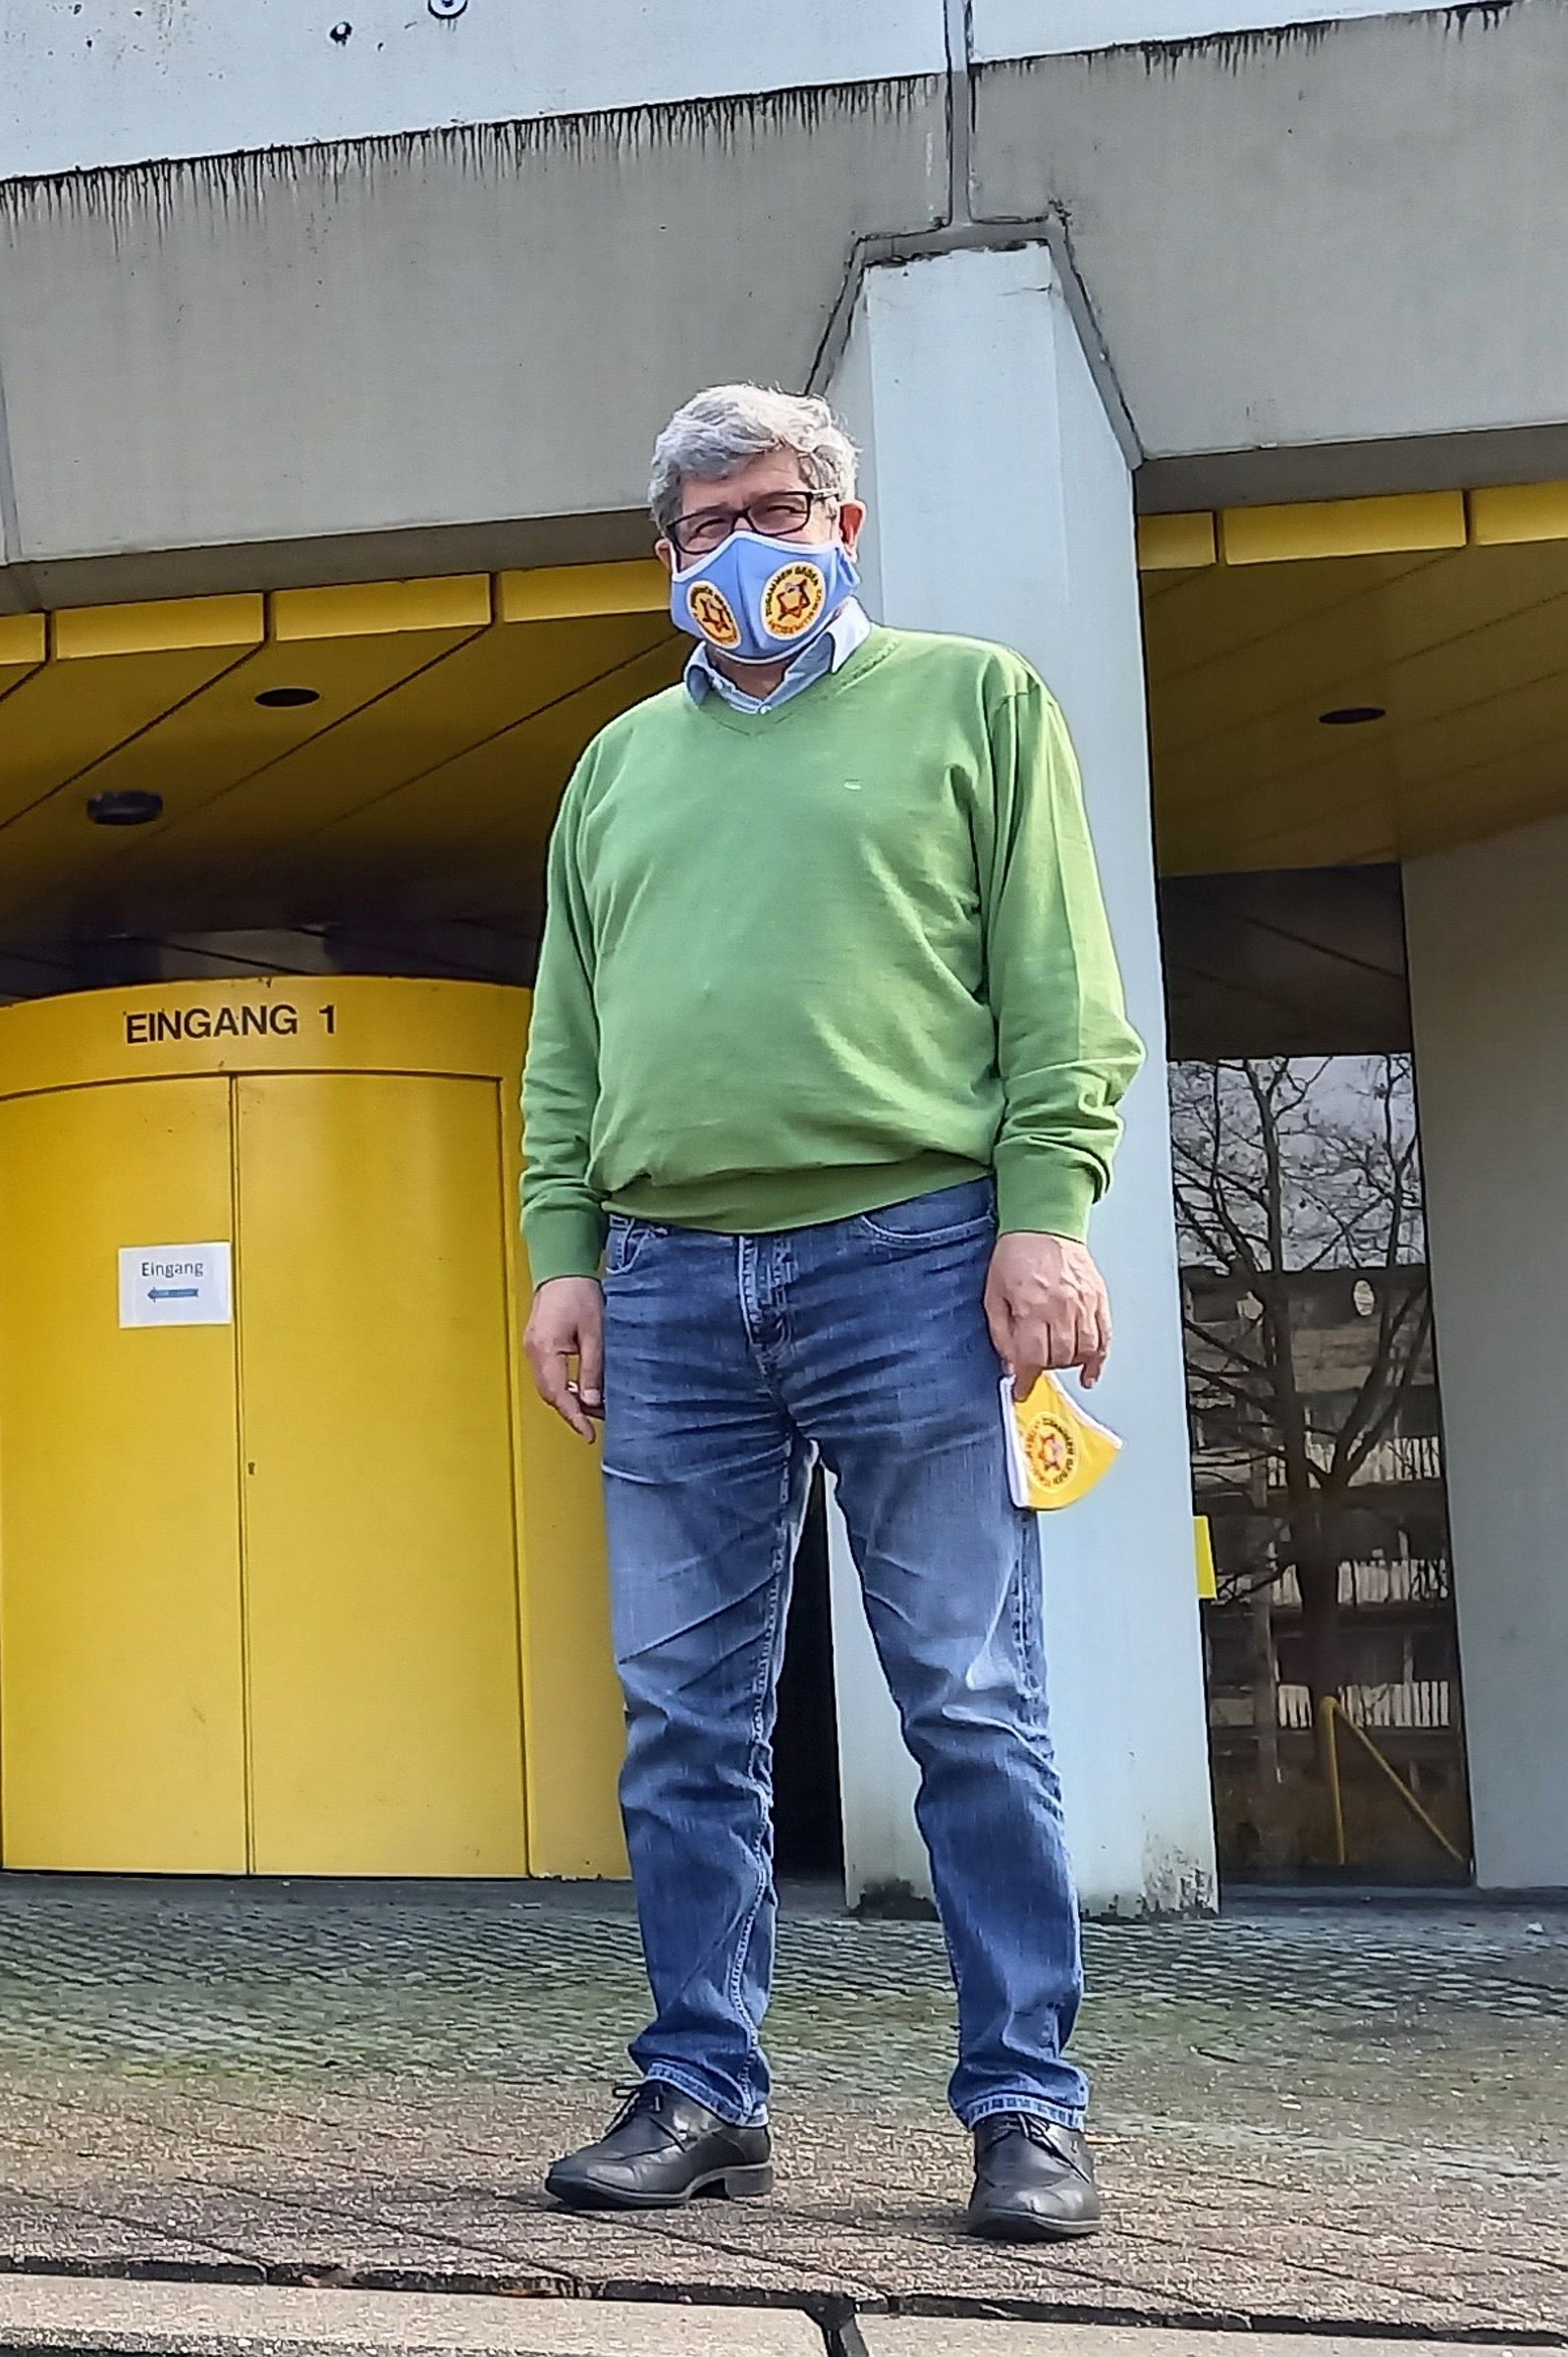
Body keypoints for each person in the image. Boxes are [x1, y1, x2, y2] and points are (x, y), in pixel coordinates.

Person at [520, 385, 1140, 2244]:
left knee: (968, 1697)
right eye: (694, 531)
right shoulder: (617, 766)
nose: (730, 552)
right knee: (683, 1721)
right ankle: (701, 2087)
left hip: (917, 1257)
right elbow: (570, 1036)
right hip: (668, 1277)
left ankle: (1027, 2107)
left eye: (764, 510)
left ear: (840, 523)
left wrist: (1047, 1216)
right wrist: (564, 1248)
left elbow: (1059, 987)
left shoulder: (978, 702)